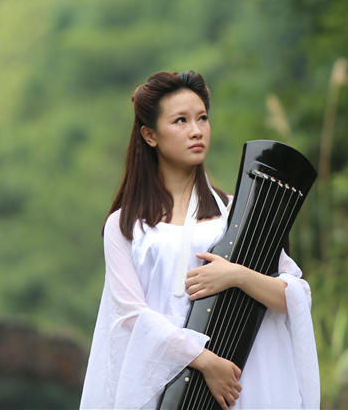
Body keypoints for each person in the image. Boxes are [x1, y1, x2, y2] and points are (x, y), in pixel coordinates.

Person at [80, 71, 319, 410]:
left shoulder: (239, 215)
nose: (196, 130)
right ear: (150, 135)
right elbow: (131, 316)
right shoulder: (126, 225)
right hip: (166, 389)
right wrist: (205, 361)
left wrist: (236, 275)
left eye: (202, 118)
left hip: (241, 384)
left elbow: (293, 296)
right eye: (180, 120)